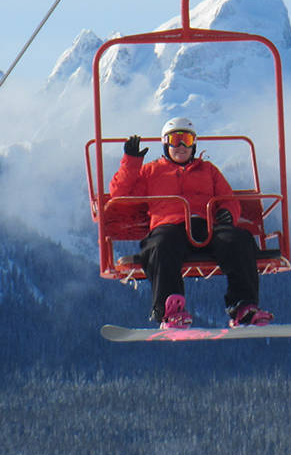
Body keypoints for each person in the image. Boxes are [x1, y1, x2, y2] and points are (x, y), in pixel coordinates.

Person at [109, 116, 274, 328]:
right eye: (175, 139)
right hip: (169, 227)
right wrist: (131, 163)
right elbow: (120, 194)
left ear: (194, 144)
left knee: (238, 240)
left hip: (205, 226)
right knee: (161, 245)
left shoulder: (208, 170)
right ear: (165, 143)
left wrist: (227, 213)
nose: (180, 146)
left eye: (186, 139)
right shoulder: (151, 171)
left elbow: (228, 198)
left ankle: (243, 306)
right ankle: (169, 310)